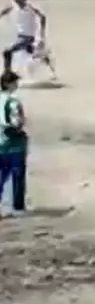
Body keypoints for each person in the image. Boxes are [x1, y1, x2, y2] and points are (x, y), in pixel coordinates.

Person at [0, 0, 49, 76]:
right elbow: (5, 11)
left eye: (18, 0)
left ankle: (7, 74)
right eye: (16, 0)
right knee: (34, 55)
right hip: (20, 37)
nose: (16, 2)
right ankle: (49, 67)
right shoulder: (15, 6)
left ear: (24, 0)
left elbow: (43, 17)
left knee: (7, 52)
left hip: (28, 38)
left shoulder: (30, 7)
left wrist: (42, 33)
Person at [0, 70, 27, 217]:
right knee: (17, 175)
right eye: (14, 82)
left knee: (1, 175)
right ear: (7, 84)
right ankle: (18, 207)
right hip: (14, 143)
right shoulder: (13, 102)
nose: (16, 84)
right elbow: (17, 123)